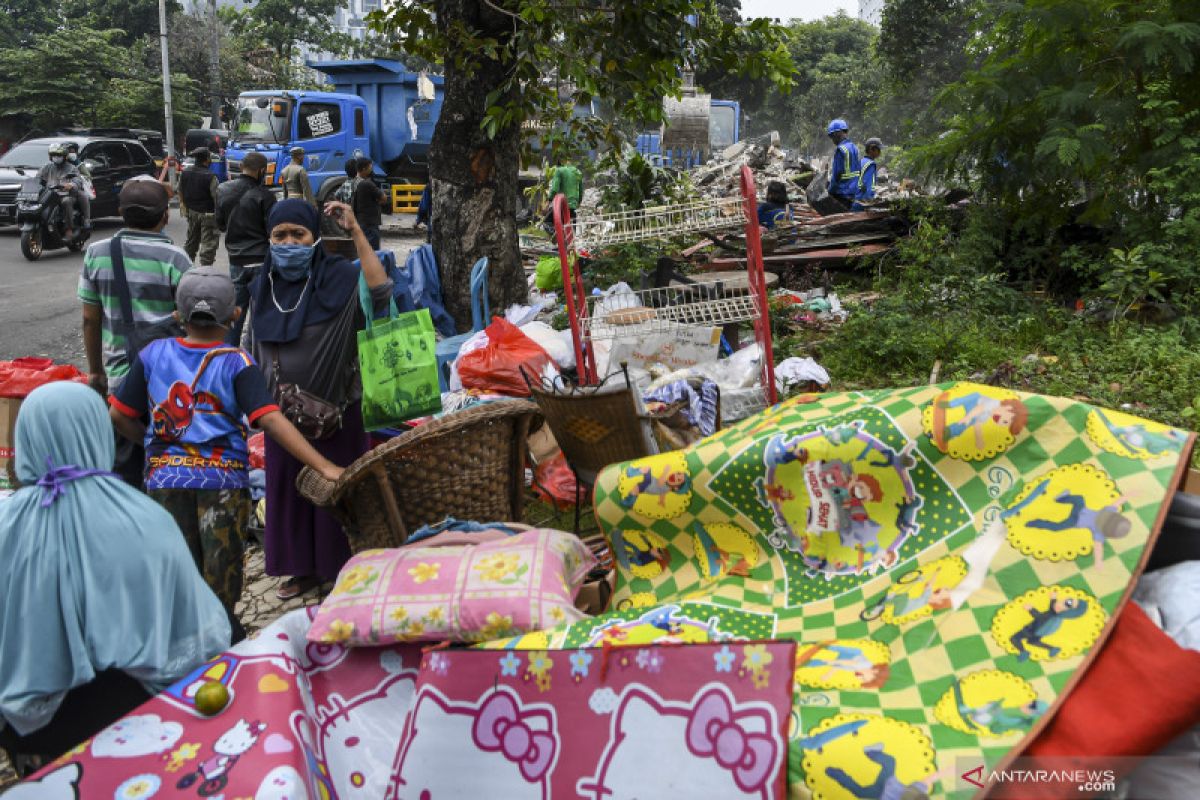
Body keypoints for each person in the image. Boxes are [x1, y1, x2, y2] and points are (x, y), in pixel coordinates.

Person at [0, 382, 230, 772]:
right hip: (137, 717)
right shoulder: (147, 519)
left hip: (37, 736)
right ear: (97, 432)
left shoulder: (6, 528)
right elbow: (198, 629)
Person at [109, 267, 346, 615]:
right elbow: (270, 419)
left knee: (175, 579)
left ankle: (181, 651)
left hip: (165, 481)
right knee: (219, 587)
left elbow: (118, 415)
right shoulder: (236, 362)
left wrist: (153, 446)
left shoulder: (152, 355)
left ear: (177, 316)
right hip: (222, 484)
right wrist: (324, 465)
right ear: (235, 315)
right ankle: (221, 651)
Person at [249, 199, 393, 599]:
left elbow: (380, 291)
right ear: (269, 239)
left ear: (315, 238)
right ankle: (302, 570)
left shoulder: (340, 279)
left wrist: (356, 232)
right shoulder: (263, 284)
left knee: (340, 492)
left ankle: (344, 570)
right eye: (280, 235)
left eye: (299, 234)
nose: (290, 242)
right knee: (288, 492)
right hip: (283, 416)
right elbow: (252, 342)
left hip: (339, 409)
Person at [79, 180, 190, 486]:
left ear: (120, 213)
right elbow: (191, 321)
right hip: (168, 383)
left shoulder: (97, 253)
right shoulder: (176, 259)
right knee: (169, 467)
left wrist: (96, 372)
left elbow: (90, 318)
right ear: (165, 216)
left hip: (120, 377)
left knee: (125, 469)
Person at [217, 151, 276, 347]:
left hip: (236, 260)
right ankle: (256, 353)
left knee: (235, 312)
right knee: (261, 310)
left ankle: (230, 354)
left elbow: (220, 225)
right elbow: (272, 230)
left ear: (241, 167)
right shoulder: (266, 196)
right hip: (261, 259)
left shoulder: (223, 190)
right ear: (262, 171)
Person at [179, 147, 221, 266]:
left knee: (191, 242)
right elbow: (217, 198)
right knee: (208, 245)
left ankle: (185, 269)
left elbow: (180, 190)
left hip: (191, 212)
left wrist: (184, 208)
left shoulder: (185, 172)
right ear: (207, 159)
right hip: (208, 215)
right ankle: (205, 272)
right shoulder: (210, 176)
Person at [37, 143, 87, 237]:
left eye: (59, 155)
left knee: (66, 202)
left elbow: (78, 180)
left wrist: (71, 184)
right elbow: (38, 178)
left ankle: (69, 228)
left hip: (66, 194)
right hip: (50, 194)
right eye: (54, 155)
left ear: (64, 156)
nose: (56, 157)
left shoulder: (71, 167)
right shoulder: (47, 167)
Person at [826, 119, 861, 210]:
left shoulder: (840, 150)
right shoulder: (855, 148)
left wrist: (829, 191)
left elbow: (836, 175)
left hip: (842, 193)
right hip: (854, 193)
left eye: (832, 136)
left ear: (838, 133)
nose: (832, 140)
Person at [351, 157, 385, 249]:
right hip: (370, 224)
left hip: (359, 221)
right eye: (370, 167)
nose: (371, 169)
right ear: (364, 169)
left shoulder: (353, 182)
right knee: (373, 251)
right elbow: (383, 197)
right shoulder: (367, 184)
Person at [64, 144, 93, 230]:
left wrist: (75, 181)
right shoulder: (54, 165)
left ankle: (87, 220)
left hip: (74, 187)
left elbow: (88, 176)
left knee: (83, 196)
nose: (71, 153)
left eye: (73, 151)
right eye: (69, 151)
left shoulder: (78, 164)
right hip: (58, 187)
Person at [852, 138, 883, 211]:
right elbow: (868, 187)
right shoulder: (871, 164)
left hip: (855, 200)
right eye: (878, 149)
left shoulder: (862, 161)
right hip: (861, 204)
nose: (880, 152)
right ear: (871, 149)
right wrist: (869, 205)